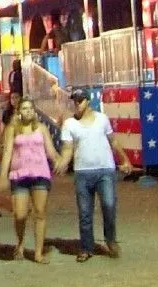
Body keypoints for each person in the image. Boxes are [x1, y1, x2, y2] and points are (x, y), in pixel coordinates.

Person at [56, 89, 132, 261]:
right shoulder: (69, 124)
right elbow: (68, 148)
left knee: (109, 205)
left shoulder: (101, 119)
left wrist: (125, 159)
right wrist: (63, 161)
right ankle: (86, 247)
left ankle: (110, 239)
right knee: (84, 212)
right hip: (83, 172)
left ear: (88, 101)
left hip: (105, 169)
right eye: (75, 101)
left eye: (80, 100)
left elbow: (113, 141)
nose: (77, 104)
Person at [0, 98, 62, 264]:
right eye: (24, 108)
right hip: (19, 175)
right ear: (19, 111)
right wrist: (3, 175)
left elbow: (50, 150)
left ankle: (38, 252)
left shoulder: (41, 128)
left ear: (34, 111)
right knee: (20, 214)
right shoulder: (13, 129)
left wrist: (60, 160)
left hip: (40, 173)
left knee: (40, 212)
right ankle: (20, 242)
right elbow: (7, 153)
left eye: (30, 109)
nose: (27, 111)